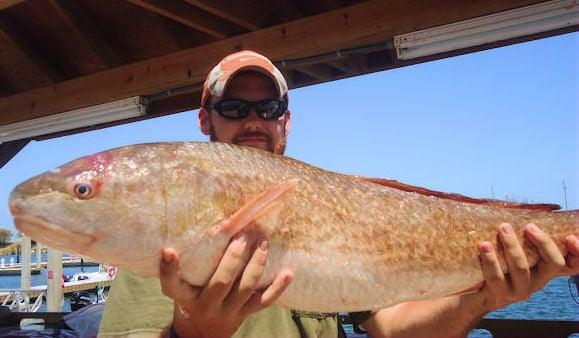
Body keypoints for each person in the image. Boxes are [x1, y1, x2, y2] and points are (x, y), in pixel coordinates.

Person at [98, 50, 579, 338]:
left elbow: (391, 328)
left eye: (268, 107)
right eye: (234, 106)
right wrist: (196, 333)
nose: (253, 121)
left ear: (286, 119)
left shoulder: (332, 200)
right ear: (206, 120)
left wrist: (479, 299)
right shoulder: (164, 236)